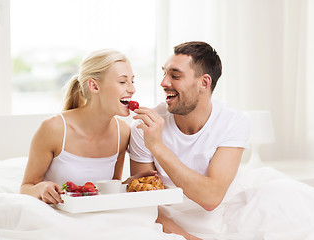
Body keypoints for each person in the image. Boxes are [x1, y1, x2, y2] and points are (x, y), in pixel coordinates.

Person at [128, 41, 250, 239]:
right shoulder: (144, 127)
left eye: (175, 75)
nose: (164, 83)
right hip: (165, 221)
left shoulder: (233, 122)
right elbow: (144, 203)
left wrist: (158, 146)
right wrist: (186, 237)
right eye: (164, 73)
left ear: (204, 82)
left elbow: (211, 198)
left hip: (218, 214)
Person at [20, 49, 137, 204]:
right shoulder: (54, 129)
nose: (132, 89)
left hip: (98, 217)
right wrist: (41, 189)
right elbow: (26, 188)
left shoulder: (122, 132)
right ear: (94, 86)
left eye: (132, 81)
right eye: (123, 82)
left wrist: (133, 183)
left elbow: (109, 192)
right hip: (56, 217)